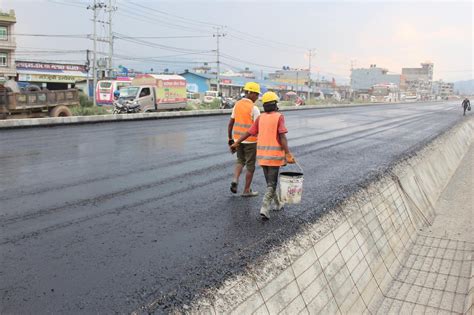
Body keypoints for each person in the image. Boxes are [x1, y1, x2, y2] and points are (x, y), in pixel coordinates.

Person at [231, 91, 296, 220]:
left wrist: (237, 142)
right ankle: (265, 207)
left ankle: (277, 204)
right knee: (272, 183)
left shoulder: (261, 118)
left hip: (262, 156)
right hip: (275, 156)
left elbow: (249, 132)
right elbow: (282, 137)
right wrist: (288, 153)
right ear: (275, 104)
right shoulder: (279, 117)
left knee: (270, 182)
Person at [228, 82, 261, 197]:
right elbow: (258, 127)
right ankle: (246, 190)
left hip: (238, 139)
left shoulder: (237, 104)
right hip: (251, 141)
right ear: (250, 93)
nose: (257, 97)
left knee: (240, 160)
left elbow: (231, 123)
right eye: (256, 94)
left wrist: (230, 139)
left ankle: (235, 180)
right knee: (250, 165)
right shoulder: (254, 108)